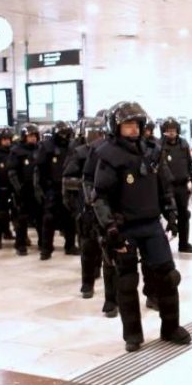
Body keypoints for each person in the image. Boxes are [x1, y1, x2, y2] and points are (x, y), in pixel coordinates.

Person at [93, 101, 190, 352]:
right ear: (116, 127)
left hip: (152, 225)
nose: (134, 129)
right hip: (124, 227)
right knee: (126, 283)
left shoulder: (152, 150)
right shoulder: (107, 154)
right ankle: (132, 335)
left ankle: (170, 327)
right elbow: (100, 196)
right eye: (128, 124)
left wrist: (170, 213)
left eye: (136, 124)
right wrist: (109, 228)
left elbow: (164, 185)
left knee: (168, 277)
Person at [64, 117, 108, 297]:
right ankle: (87, 283)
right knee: (88, 248)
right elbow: (67, 180)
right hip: (87, 207)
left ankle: (112, 295)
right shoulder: (79, 152)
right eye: (92, 133)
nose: (96, 137)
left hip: (106, 208)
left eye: (100, 134)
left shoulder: (110, 153)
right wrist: (85, 185)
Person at [82, 111, 118, 318]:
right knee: (105, 255)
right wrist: (91, 203)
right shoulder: (94, 150)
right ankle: (110, 299)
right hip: (100, 209)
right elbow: (87, 181)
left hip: (129, 211)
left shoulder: (136, 149)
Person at [34, 120, 79, 260]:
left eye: (67, 133)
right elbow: (40, 169)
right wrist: (43, 188)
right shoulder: (47, 147)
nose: (65, 136)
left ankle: (70, 245)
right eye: (63, 133)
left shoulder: (73, 146)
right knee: (49, 219)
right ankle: (46, 249)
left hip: (69, 187)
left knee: (70, 218)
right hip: (52, 188)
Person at [160, 117, 192, 253]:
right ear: (164, 131)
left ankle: (184, 244)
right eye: (168, 130)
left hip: (182, 186)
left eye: (173, 130)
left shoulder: (183, 144)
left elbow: (190, 164)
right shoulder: (159, 146)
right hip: (166, 188)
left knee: (184, 215)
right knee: (167, 216)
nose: (171, 132)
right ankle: (161, 246)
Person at [8, 123, 42, 256]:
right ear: (24, 137)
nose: (33, 138)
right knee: (22, 219)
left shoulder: (40, 149)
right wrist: (18, 188)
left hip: (37, 190)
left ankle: (42, 242)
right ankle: (20, 244)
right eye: (30, 136)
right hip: (23, 190)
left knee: (40, 218)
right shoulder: (17, 151)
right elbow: (12, 172)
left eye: (34, 136)